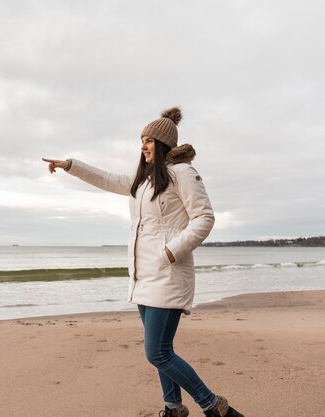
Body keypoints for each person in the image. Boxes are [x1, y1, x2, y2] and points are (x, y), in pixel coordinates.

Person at [42, 108, 244, 417]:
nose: (143, 146)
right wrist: (71, 165)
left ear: (162, 143)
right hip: (143, 276)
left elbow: (204, 218)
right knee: (162, 351)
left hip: (168, 274)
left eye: (149, 140)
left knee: (158, 352)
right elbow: (107, 179)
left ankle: (215, 407)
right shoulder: (144, 180)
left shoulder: (183, 173)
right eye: (141, 140)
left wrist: (170, 251)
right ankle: (173, 408)